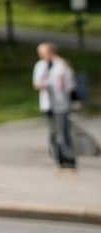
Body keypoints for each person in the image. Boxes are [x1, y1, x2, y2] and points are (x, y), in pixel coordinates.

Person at [33, 43, 76, 172]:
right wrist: (45, 83)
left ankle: (69, 161)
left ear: (51, 51)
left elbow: (70, 85)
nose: (41, 55)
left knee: (63, 133)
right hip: (47, 104)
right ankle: (58, 161)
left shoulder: (62, 65)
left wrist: (62, 84)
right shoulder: (40, 65)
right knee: (52, 133)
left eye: (43, 52)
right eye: (40, 53)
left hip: (61, 104)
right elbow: (36, 84)